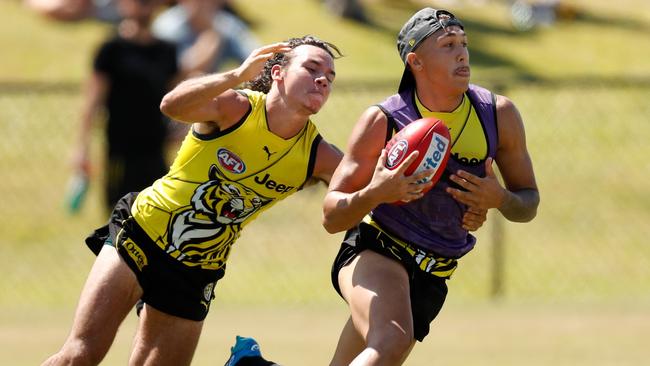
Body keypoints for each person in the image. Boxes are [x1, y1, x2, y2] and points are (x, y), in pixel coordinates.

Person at [42, 35, 343, 366]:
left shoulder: (318, 155)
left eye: (329, 78)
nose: (322, 80)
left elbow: (364, 191)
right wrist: (236, 74)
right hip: (141, 234)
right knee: (79, 356)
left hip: (197, 269)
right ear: (278, 73)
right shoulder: (235, 107)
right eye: (312, 68)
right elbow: (171, 105)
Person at [322, 8, 539, 366]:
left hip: (434, 271)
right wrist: (377, 192)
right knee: (391, 341)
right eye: (448, 44)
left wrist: (499, 198)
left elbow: (528, 203)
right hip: (378, 249)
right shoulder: (385, 119)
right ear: (415, 62)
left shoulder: (498, 115)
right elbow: (331, 216)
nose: (463, 53)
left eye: (464, 43)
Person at [71, 0, 223, 213]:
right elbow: (93, 102)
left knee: (156, 215)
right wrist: (82, 149)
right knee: (117, 218)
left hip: (155, 151)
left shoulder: (165, 50)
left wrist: (210, 31)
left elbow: (180, 89)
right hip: (120, 151)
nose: (144, 6)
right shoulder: (112, 50)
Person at [152, 0, 260, 75]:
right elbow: (182, 73)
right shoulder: (167, 26)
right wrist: (211, 35)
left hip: (212, 96)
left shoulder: (226, 23)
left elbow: (257, 59)